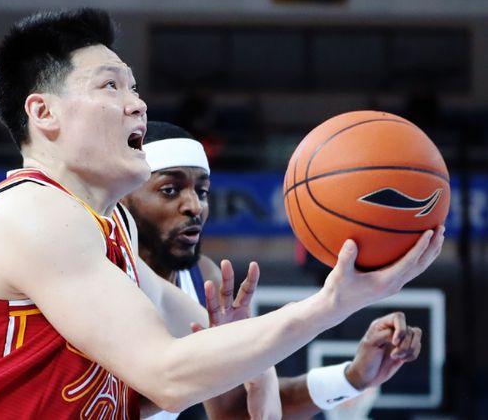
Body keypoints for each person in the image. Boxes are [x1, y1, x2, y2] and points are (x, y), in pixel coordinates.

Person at [0, 8, 444, 419]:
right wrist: (334, 303)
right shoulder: (32, 211)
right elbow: (169, 375)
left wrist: (270, 352)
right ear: (44, 112)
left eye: (134, 87)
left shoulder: (111, 240)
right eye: (110, 85)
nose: (137, 104)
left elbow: (208, 379)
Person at [122, 121, 431, 419]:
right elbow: (136, 396)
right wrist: (248, 353)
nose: (195, 205)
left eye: (202, 191)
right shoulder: (104, 268)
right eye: (170, 190)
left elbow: (234, 410)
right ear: (123, 198)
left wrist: (352, 378)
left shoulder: (204, 278)